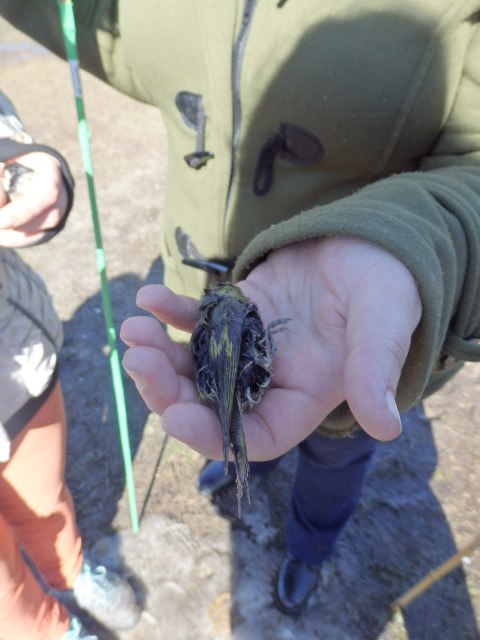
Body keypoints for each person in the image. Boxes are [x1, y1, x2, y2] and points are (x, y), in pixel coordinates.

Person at [3, 0, 479, 617]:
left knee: (337, 449)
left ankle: (310, 546)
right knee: (249, 426)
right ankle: (240, 465)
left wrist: (410, 243)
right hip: (213, 304)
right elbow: (91, 21)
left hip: (349, 329)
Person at [0, 91, 140, 639]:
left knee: (45, 499)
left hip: (15, 362)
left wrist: (24, 162)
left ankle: (71, 572)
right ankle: (54, 631)